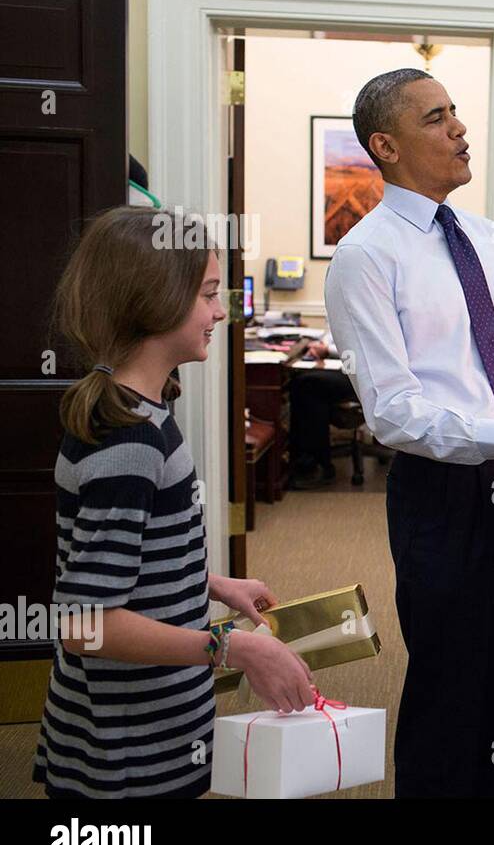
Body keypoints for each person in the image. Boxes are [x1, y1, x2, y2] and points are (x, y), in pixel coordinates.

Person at [324, 68, 494, 797]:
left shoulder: (486, 235)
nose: (460, 130)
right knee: (453, 694)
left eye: (456, 114)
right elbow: (391, 410)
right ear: (386, 145)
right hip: (448, 497)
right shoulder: (365, 257)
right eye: (437, 118)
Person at [34, 207, 314, 798]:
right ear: (154, 299)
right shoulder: (128, 440)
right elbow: (87, 623)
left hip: (149, 734)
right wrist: (225, 645)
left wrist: (210, 584)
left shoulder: (143, 412)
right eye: (210, 294)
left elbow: (126, 560)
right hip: (126, 758)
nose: (220, 311)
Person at [288, 331, 357, 489]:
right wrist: (322, 346)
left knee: (308, 386)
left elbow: (357, 346)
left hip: (362, 372)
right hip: (350, 364)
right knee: (303, 379)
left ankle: (317, 465)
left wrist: (327, 349)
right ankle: (303, 461)